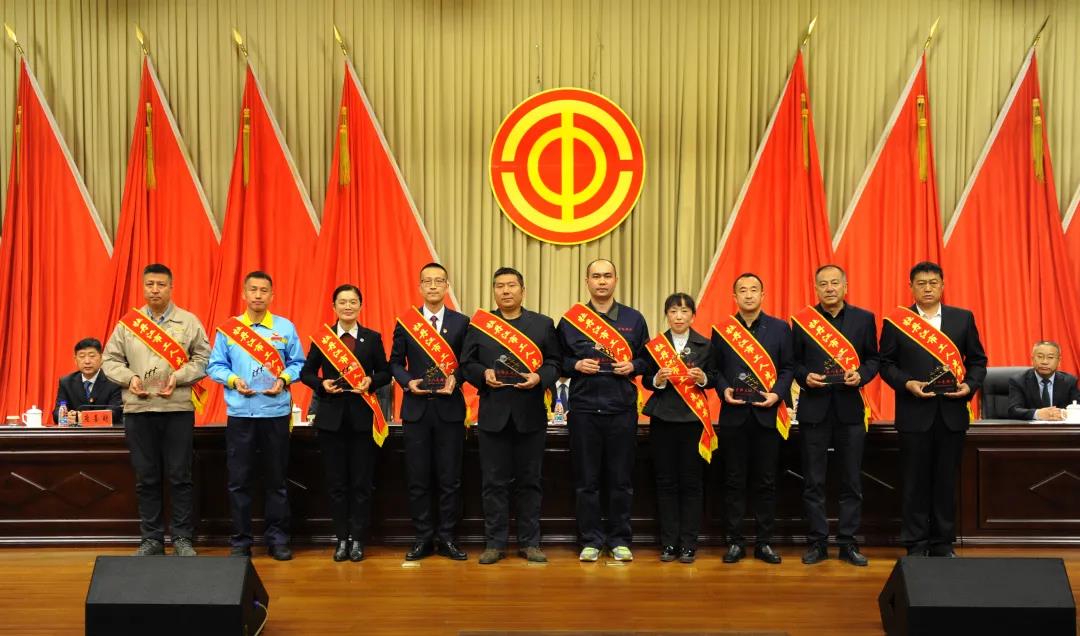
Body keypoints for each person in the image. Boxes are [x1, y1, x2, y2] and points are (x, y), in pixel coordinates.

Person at [101, 263, 210, 557]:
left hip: (177, 408)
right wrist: (130, 379)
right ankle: (151, 539)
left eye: (161, 284)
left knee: (180, 476)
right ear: (143, 287)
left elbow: (203, 359)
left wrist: (180, 377)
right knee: (146, 477)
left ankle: (182, 538)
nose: (155, 290)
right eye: (150, 284)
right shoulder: (128, 324)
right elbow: (109, 361)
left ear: (171, 287)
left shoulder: (188, 321)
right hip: (139, 410)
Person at [880, 261, 987, 558]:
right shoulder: (897, 322)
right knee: (914, 482)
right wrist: (907, 383)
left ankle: (942, 542)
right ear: (911, 287)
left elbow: (978, 361)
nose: (927, 288)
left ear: (942, 285)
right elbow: (886, 364)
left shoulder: (962, 318)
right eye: (921, 283)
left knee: (945, 482)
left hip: (951, 414)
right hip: (914, 413)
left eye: (933, 283)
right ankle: (915, 543)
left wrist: (969, 386)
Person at [462, 267, 561, 565]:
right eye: (500, 286)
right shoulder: (480, 325)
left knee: (530, 481)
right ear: (494, 291)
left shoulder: (543, 324)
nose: (506, 291)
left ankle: (530, 543)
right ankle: (495, 543)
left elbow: (555, 363)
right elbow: (467, 363)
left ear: (522, 290)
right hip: (493, 416)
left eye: (511, 285)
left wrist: (539, 377)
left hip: (530, 415)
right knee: (493, 482)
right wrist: (484, 374)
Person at [206, 271, 305, 561]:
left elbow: (299, 363)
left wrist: (284, 379)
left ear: (272, 295)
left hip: (275, 413)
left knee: (277, 480)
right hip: (241, 413)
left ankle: (278, 540)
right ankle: (241, 541)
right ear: (244, 294)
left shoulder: (285, 328)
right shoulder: (229, 330)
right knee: (239, 481)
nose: (258, 295)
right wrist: (233, 380)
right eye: (253, 289)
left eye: (264, 290)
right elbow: (215, 366)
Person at [557, 259, 649, 563]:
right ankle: (591, 540)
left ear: (616, 280)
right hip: (584, 409)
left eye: (607, 276)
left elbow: (647, 360)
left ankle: (620, 539)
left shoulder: (634, 319)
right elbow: (556, 361)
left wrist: (633, 365)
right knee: (587, 481)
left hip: (621, 409)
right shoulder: (571, 320)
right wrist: (576, 364)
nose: (601, 281)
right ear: (587, 281)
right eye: (596, 276)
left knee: (621, 480)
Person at [790, 265, 879, 567]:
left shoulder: (864, 319)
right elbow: (793, 363)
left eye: (834, 283)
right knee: (813, 481)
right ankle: (817, 542)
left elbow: (874, 359)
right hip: (814, 409)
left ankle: (847, 542)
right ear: (816, 289)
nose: (829, 288)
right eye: (823, 284)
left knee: (851, 480)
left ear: (845, 286)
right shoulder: (803, 322)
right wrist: (805, 377)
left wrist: (861, 375)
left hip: (850, 410)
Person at [300, 284, 391, 562]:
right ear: (334, 307)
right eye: (342, 302)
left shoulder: (372, 338)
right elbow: (306, 373)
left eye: (353, 302)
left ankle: (358, 539)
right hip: (331, 421)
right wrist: (322, 384)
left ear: (360, 306)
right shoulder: (323, 339)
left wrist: (371, 380)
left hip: (363, 419)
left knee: (361, 483)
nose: (348, 306)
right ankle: (341, 539)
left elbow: (385, 372)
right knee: (337, 483)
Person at [711, 272, 794, 565]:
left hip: (767, 415)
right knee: (733, 480)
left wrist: (777, 394)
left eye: (754, 289)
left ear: (763, 294)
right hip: (734, 415)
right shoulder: (723, 331)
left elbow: (788, 368)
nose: (748, 295)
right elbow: (715, 370)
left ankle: (764, 542)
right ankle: (735, 542)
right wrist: (724, 390)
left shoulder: (780, 329)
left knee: (766, 481)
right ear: (734, 297)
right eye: (743, 290)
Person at [390, 263, 470, 562]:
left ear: (447, 286)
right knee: (418, 478)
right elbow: (394, 362)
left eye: (439, 281)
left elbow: (468, 363)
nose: (433, 286)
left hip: (450, 410)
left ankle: (447, 537)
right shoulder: (406, 322)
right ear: (420, 286)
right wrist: (408, 382)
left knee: (450, 479)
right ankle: (423, 537)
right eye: (428, 281)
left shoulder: (462, 322)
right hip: (417, 410)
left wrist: (456, 378)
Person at [641, 293, 715, 564]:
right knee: (666, 482)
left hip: (692, 421)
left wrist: (703, 378)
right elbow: (645, 380)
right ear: (667, 315)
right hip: (663, 419)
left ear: (693, 316)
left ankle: (689, 544)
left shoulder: (705, 345)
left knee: (692, 483)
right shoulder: (655, 346)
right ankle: (669, 543)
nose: (679, 316)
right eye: (673, 311)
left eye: (684, 311)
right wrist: (657, 379)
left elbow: (714, 378)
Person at [53, 337, 123, 425]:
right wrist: (66, 416)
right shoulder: (66, 382)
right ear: (75, 360)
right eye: (82, 356)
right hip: (76, 432)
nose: (87, 361)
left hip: (104, 432)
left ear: (101, 358)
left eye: (92, 356)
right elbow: (57, 412)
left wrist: (85, 418)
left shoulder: (113, 381)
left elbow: (115, 413)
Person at [1007, 341, 1080, 421]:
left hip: (1060, 427)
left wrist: (1063, 413)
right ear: (1032, 359)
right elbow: (1013, 410)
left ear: (1059, 361)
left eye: (1050, 357)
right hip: (1032, 428)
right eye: (1040, 356)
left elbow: (1077, 408)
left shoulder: (1069, 381)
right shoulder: (1018, 381)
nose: (1044, 362)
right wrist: (1037, 414)